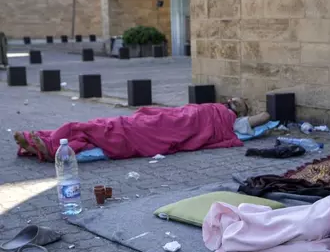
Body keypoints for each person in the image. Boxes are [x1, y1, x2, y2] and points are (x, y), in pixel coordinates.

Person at [13, 97, 271, 161]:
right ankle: (47, 139)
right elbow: (177, 113)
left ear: (239, 111)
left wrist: (255, 113)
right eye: (233, 98)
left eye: (238, 102)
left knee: (105, 131)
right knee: (106, 126)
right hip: (160, 120)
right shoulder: (210, 107)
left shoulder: (231, 122)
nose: (232, 100)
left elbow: (266, 117)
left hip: (159, 131)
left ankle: (48, 144)